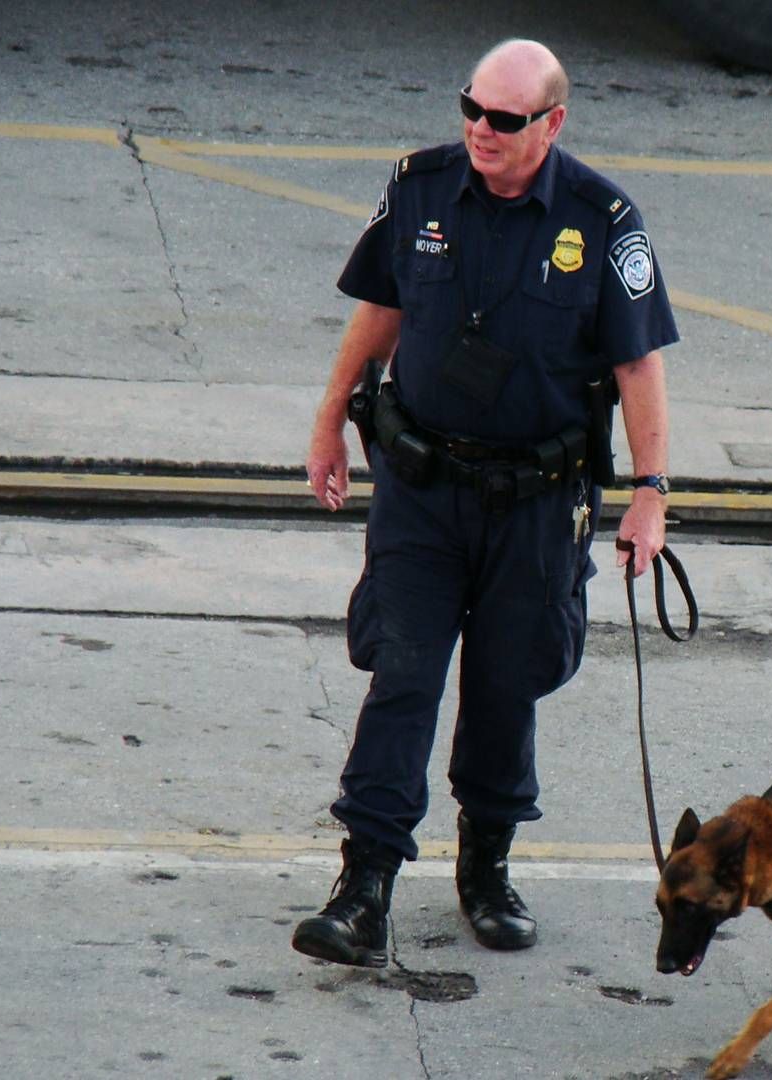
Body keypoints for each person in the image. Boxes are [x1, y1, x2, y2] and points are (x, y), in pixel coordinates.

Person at [292, 38, 677, 967]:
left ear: (552, 123)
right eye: (470, 107)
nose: (480, 129)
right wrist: (329, 420)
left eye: (503, 118)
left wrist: (650, 494)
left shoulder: (602, 221)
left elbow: (637, 366)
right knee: (403, 676)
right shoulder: (421, 187)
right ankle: (364, 887)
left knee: (506, 687)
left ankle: (487, 866)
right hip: (422, 494)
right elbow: (380, 309)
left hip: (536, 507)